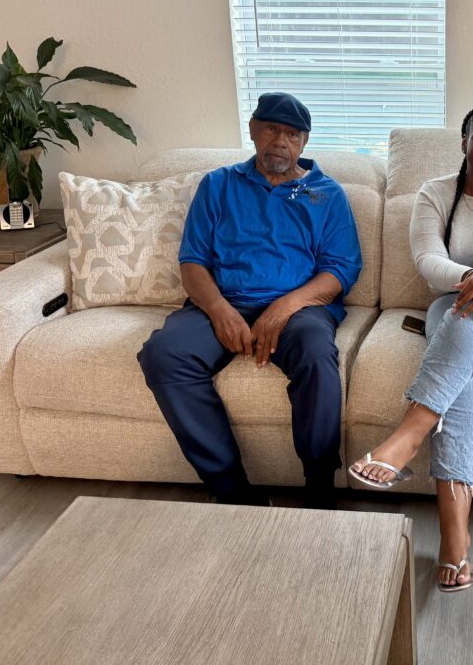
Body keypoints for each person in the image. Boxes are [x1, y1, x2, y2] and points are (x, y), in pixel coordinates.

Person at [348, 103, 473, 592]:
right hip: (456, 300)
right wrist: (471, 278)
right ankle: (453, 537)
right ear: (463, 141)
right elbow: (426, 259)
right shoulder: (434, 193)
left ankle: (409, 433)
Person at [138, 92, 362, 509]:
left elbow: (340, 271)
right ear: (253, 130)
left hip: (300, 308)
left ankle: (319, 487)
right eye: (272, 129)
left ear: (304, 142)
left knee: (316, 353)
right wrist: (220, 310)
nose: (281, 140)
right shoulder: (218, 185)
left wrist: (284, 307)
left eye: (292, 134)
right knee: (164, 354)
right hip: (223, 300)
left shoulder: (326, 194)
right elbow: (192, 262)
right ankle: (231, 489)